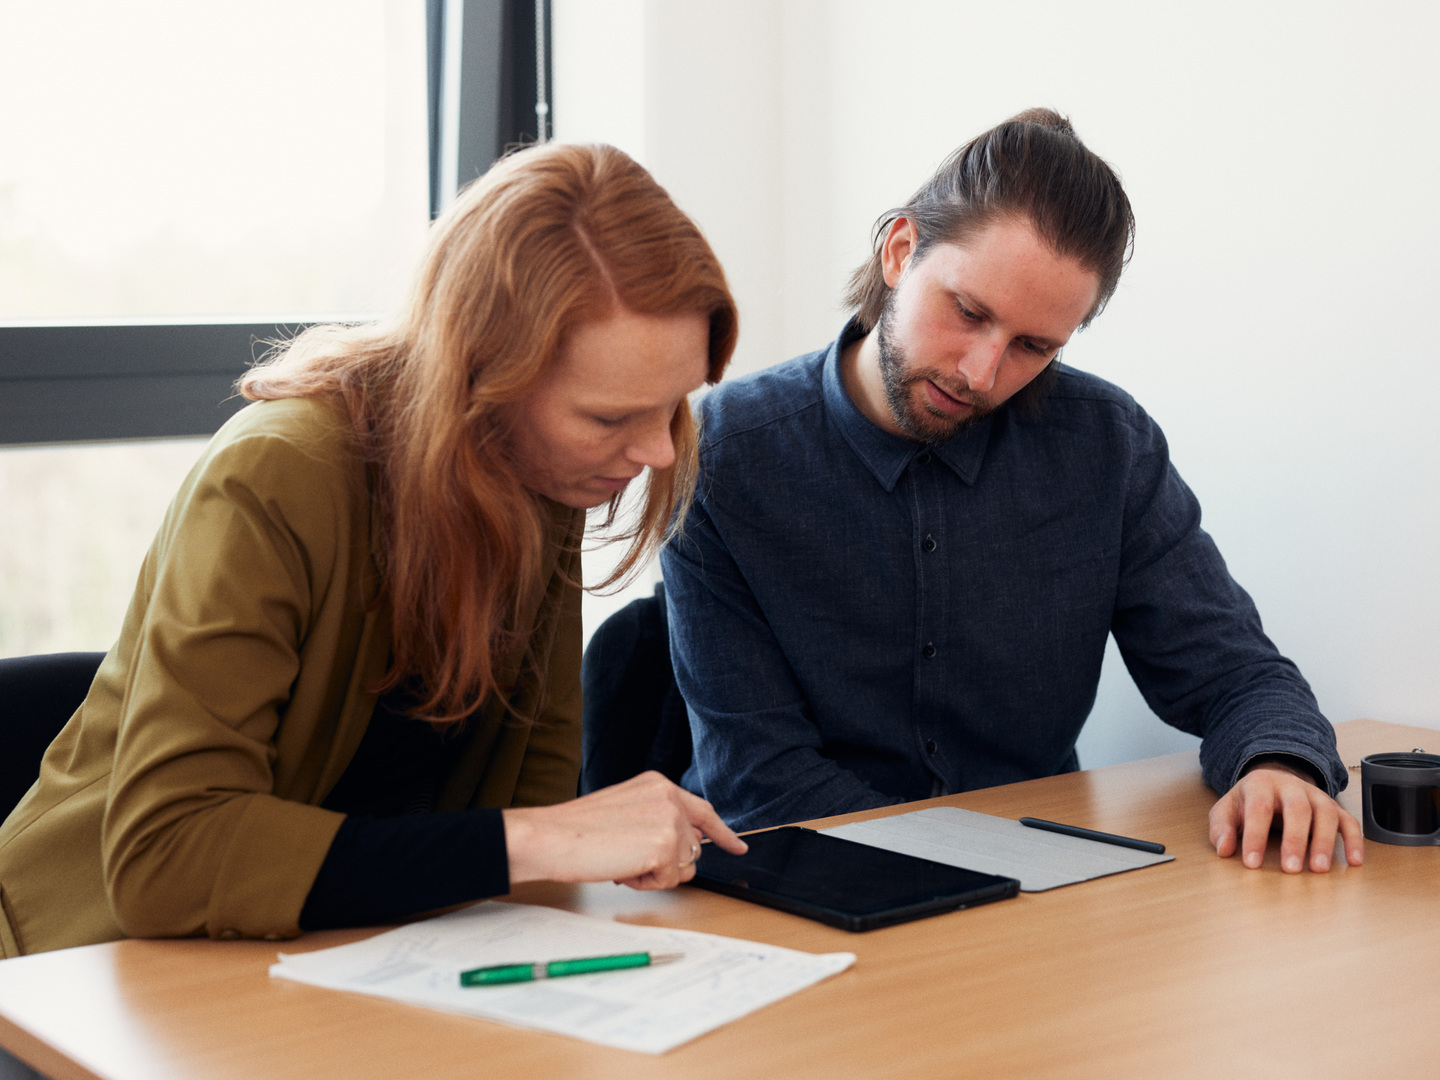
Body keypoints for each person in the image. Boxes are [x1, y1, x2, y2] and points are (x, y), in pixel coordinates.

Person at [0, 142, 747, 959]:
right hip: (85, 970)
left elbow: (532, 785)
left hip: (339, 960)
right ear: (483, 379)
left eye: (669, 405)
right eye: (609, 418)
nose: (659, 454)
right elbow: (167, 856)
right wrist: (537, 840)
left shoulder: (540, 476)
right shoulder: (273, 475)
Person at [661, 109, 1363, 875]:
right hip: (812, 877)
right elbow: (761, 779)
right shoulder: (723, 453)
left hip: (1031, 886)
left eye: (1034, 346)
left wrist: (1279, 769)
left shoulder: (1105, 445)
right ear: (900, 251)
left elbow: (1237, 674)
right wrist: (969, 871)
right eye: (968, 312)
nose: (980, 373)